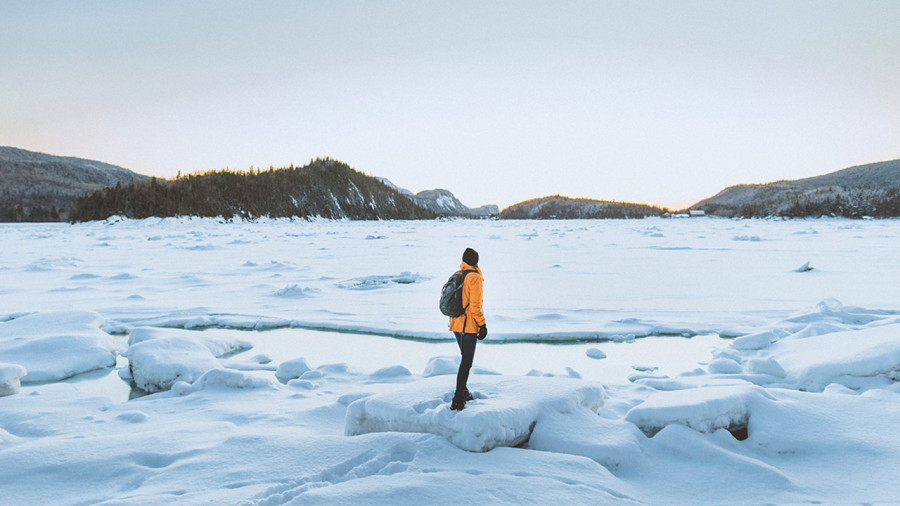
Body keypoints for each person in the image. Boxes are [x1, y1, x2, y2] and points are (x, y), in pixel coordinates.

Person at [449, 247, 487, 411]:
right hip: (468, 326)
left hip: (456, 324)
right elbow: (475, 306)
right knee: (466, 362)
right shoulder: (475, 278)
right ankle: (458, 398)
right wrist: (482, 325)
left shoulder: (458, 274)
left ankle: (463, 392)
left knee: (465, 358)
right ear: (476, 261)